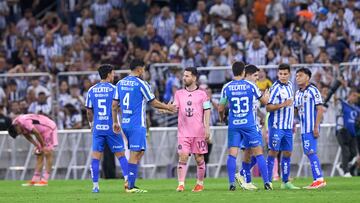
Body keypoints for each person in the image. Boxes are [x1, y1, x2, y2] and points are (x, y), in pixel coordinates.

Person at [112, 59, 177, 193]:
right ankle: (130, 186)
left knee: (139, 152)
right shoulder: (141, 84)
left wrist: (115, 122)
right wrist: (168, 107)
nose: (144, 72)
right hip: (137, 124)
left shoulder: (120, 83)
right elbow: (153, 103)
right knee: (136, 154)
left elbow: (114, 105)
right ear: (140, 69)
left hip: (125, 124)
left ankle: (129, 182)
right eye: (144, 69)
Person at [219, 61, 272, 191]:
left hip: (234, 124)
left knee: (232, 154)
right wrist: (267, 96)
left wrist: (222, 118)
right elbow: (265, 102)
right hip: (249, 124)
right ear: (243, 72)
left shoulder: (226, 87)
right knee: (259, 154)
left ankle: (232, 184)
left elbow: (221, 107)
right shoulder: (250, 86)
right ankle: (267, 183)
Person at [85, 64, 129, 193]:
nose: (114, 75)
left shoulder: (91, 90)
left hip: (98, 127)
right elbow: (118, 106)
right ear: (109, 74)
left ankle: (95, 186)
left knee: (95, 157)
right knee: (121, 155)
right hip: (112, 127)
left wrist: (91, 124)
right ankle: (127, 182)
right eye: (113, 73)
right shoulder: (115, 89)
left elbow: (88, 111)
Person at [173, 67, 211, 192]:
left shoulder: (202, 94)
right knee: (183, 156)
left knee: (199, 158)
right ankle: (181, 184)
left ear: (194, 78)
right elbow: (174, 107)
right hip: (183, 132)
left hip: (198, 132)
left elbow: (207, 110)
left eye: (187, 76)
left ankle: (200, 183)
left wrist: (207, 128)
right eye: (184, 75)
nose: (184, 78)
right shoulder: (178, 93)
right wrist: (166, 109)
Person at [266, 63, 299, 189]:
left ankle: (285, 182)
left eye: (285, 74)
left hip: (288, 127)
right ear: (277, 74)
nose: (283, 76)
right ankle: (268, 181)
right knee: (273, 152)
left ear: (289, 74)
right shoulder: (275, 88)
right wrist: (283, 104)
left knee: (288, 153)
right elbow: (268, 107)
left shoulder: (290, 85)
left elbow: (291, 105)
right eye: (281, 74)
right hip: (276, 126)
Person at [294, 68, 326, 189]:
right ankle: (317, 179)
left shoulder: (313, 90)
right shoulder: (297, 93)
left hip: (311, 127)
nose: (298, 78)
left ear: (307, 77)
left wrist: (316, 126)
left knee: (311, 152)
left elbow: (320, 109)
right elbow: (296, 110)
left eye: (300, 75)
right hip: (303, 128)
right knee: (308, 152)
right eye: (296, 76)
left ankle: (319, 179)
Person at [7, 114, 58, 186]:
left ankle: (44, 180)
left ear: (16, 126)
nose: (20, 133)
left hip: (48, 128)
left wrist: (43, 146)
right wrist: (37, 145)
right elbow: (26, 134)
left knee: (47, 152)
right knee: (39, 154)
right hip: (41, 132)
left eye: (19, 132)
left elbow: (36, 133)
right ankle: (35, 180)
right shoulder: (15, 124)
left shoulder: (24, 122)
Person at [235, 64, 263, 190]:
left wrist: (261, 116)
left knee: (253, 153)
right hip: (247, 125)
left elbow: (255, 107)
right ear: (247, 75)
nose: (257, 78)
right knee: (251, 153)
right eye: (255, 75)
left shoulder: (252, 87)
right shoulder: (247, 87)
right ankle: (246, 179)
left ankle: (242, 175)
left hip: (253, 124)